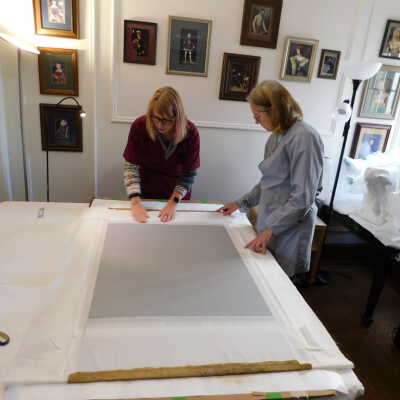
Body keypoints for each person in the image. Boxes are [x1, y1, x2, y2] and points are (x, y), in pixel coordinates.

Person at [218, 80, 324, 281]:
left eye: (257, 116)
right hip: (271, 222)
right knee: (262, 276)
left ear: (274, 110)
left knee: (280, 283)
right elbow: (268, 182)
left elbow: (303, 197)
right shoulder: (276, 136)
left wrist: (270, 229)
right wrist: (240, 203)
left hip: (290, 228)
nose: (256, 122)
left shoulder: (305, 137)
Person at [123, 87, 200, 223]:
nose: (160, 125)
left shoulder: (190, 132)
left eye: (167, 120)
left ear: (177, 117)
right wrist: (135, 202)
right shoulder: (139, 126)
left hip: (177, 193)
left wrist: (173, 202)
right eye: (156, 118)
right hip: (145, 191)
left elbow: (188, 175)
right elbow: (131, 167)